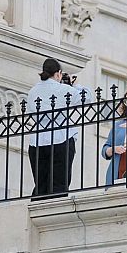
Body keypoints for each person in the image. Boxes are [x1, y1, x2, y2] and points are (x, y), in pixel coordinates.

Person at [25, 57, 85, 198]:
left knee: (40, 186)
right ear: (58, 74)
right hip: (61, 139)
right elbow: (86, 97)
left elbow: (32, 114)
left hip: (37, 142)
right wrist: (74, 85)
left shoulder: (33, 92)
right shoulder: (64, 89)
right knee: (59, 185)